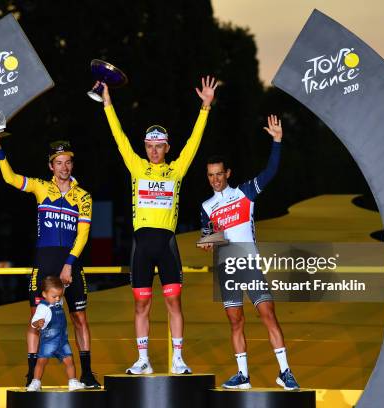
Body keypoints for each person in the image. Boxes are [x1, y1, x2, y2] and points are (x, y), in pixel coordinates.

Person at [96, 76, 218, 375]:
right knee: (141, 307)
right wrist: (108, 104)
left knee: (174, 303)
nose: (153, 151)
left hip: (166, 245)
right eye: (149, 146)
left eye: (158, 146)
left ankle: (178, 358)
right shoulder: (137, 166)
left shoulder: (177, 169)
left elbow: (193, 143)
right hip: (141, 246)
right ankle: (143, 359)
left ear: (166, 147)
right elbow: (119, 137)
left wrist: (205, 108)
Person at [0, 137, 100, 388]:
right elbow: (11, 179)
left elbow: (83, 234)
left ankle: (87, 374)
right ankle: (31, 376)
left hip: (71, 262)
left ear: (72, 164)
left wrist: (69, 263)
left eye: (68, 162)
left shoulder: (83, 196)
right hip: (44, 260)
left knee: (79, 317)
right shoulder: (41, 188)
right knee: (36, 319)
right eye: (58, 163)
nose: (64, 168)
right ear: (51, 166)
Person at [198, 115, 300, 390]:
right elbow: (208, 236)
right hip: (226, 268)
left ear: (228, 173)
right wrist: (207, 241)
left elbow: (270, 172)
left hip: (249, 263)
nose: (215, 180)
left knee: (268, 314)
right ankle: (242, 375)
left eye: (219, 174)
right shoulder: (207, 206)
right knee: (235, 321)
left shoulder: (245, 193)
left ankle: (285, 372)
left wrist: (277, 141)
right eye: (211, 175)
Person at [27, 276, 85, 391]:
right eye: (54, 296)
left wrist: (66, 285)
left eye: (60, 295)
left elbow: (63, 288)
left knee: (69, 361)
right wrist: (38, 323)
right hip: (49, 341)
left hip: (62, 340)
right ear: (44, 294)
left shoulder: (59, 302)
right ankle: (35, 382)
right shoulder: (42, 308)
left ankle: (72, 381)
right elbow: (34, 321)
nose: (58, 298)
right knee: (41, 361)